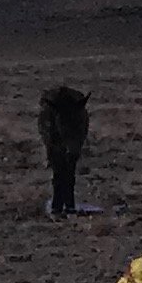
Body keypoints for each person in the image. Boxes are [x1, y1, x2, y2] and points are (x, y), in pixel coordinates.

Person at [37, 84, 92, 219]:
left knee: (67, 168)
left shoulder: (76, 118)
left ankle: (64, 205)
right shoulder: (51, 118)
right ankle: (63, 205)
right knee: (60, 168)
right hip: (58, 135)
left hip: (68, 134)